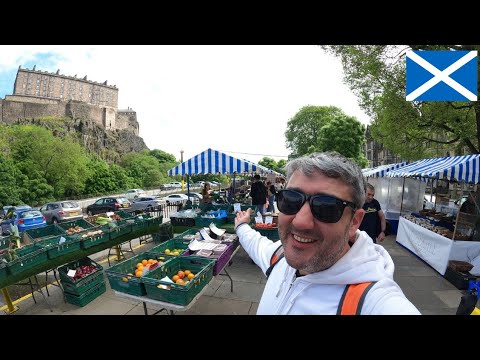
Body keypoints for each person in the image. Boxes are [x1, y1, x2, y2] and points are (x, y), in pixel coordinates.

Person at [234, 152, 420, 315]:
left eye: (326, 206)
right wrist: (241, 226)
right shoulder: (278, 258)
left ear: (354, 222)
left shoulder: (374, 301)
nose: (300, 221)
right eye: (291, 199)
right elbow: (256, 244)